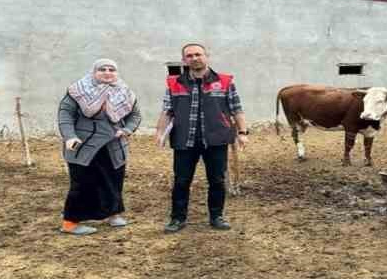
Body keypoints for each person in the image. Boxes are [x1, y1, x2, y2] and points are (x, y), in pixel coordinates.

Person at [155, 43, 248, 233]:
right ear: (184, 60)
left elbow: (236, 109)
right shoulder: (175, 83)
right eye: (189, 56)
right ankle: (177, 218)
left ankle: (217, 216)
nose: (194, 58)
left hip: (215, 139)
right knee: (181, 180)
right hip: (184, 139)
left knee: (217, 180)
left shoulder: (224, 81)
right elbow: (167, 110)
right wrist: (160, 133)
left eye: (198, 54)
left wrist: (242, 132)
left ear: (207, 56)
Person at [57, 58, 141, 235]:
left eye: (112, 69)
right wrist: (70, 136)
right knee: (82, 183)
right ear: (94, 72)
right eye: (102, 69)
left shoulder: (125, 92)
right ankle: (70, 222)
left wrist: (127, 129)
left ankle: (113, 214)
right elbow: (65, 114)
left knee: (113, 180)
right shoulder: (78, 90)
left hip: (114, 146)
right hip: (84, 146)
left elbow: (135, 115)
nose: (107, 72)